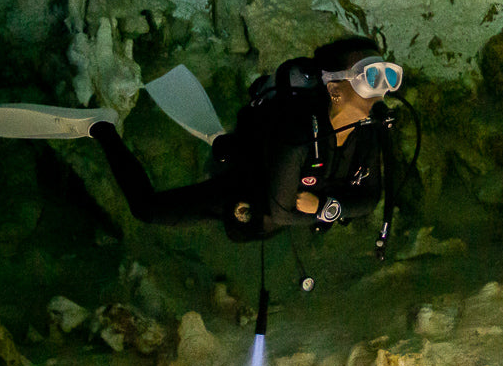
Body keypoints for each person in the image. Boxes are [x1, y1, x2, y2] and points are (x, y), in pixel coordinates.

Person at [89, 36, 402, 243]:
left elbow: (371, 198)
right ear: (335, 89)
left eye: (387, 76)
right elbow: (281, 210)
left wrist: (324, 207)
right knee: (147, 209)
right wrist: (330, 207)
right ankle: (104, 127)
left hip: (284, 216)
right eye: (370, 76)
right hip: (246, 190)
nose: (383, 87)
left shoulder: (370, 129)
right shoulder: (297, 132)